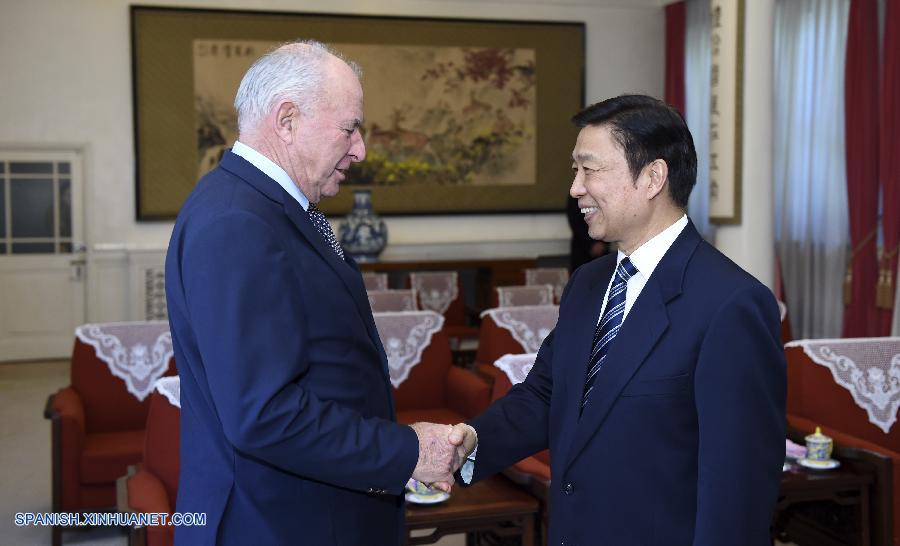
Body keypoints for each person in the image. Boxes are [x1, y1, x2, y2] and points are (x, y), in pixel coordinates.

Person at [450, 95, 786, 545]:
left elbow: (737, 487)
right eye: (575, 170)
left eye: (590, 169)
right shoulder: (589, 283)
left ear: (652, 177)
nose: (575, 188)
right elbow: (548, 394)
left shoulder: (732, 305)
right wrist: (469, 442)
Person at [165, 41, 461, 545]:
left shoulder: (271, 205)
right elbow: (264, 414)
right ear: (286, 120)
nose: (361, 148)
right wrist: (404, 450)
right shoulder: (237, 222)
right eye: (350, 127)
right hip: (276, 521)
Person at [566, 195, 609, 271]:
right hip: (582, 248)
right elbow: (575, 222)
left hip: (603, 248)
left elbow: (609, 217)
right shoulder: (576, 194)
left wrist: (602, 243)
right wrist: (591, 244)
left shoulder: (604, 194)